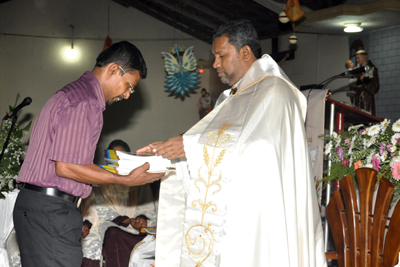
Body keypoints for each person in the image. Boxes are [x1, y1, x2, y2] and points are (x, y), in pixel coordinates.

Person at [137, 20, 326, 266]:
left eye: (221, 55)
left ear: (245, 52)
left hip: (263, 215)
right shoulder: (232, 97)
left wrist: (191, 147)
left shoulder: (275, 91)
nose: (215, 63)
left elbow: (263, 151)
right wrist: (176, 156)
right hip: (235, 212)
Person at [13, 41, 164, 267]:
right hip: (50, 211)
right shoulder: (84, 101)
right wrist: (124, 179)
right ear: (114, 70)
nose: (127, 95)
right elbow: (66, 167)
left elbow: (70, 163)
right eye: (129, 86)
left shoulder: (74, 94)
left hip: (40, 208)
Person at [80, 139, 157, 267]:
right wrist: (86, 225)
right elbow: (95, 210)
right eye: (114, 157)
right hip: (106, 225)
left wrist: (141, 219)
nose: (118, 161)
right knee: (107, 235)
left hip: (134, 229)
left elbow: (147, 207)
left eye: (122, 157)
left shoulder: (140, 181)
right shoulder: (100, 180)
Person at [353, 49, 380, 115]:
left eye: (358, 58)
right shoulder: (358, 70)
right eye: (356, 58)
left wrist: (364, 81)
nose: (357, 60)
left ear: (364, 57)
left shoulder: (372, 69)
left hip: (367, 100)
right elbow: (356, 84)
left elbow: (375, 87)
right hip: (358, 99)